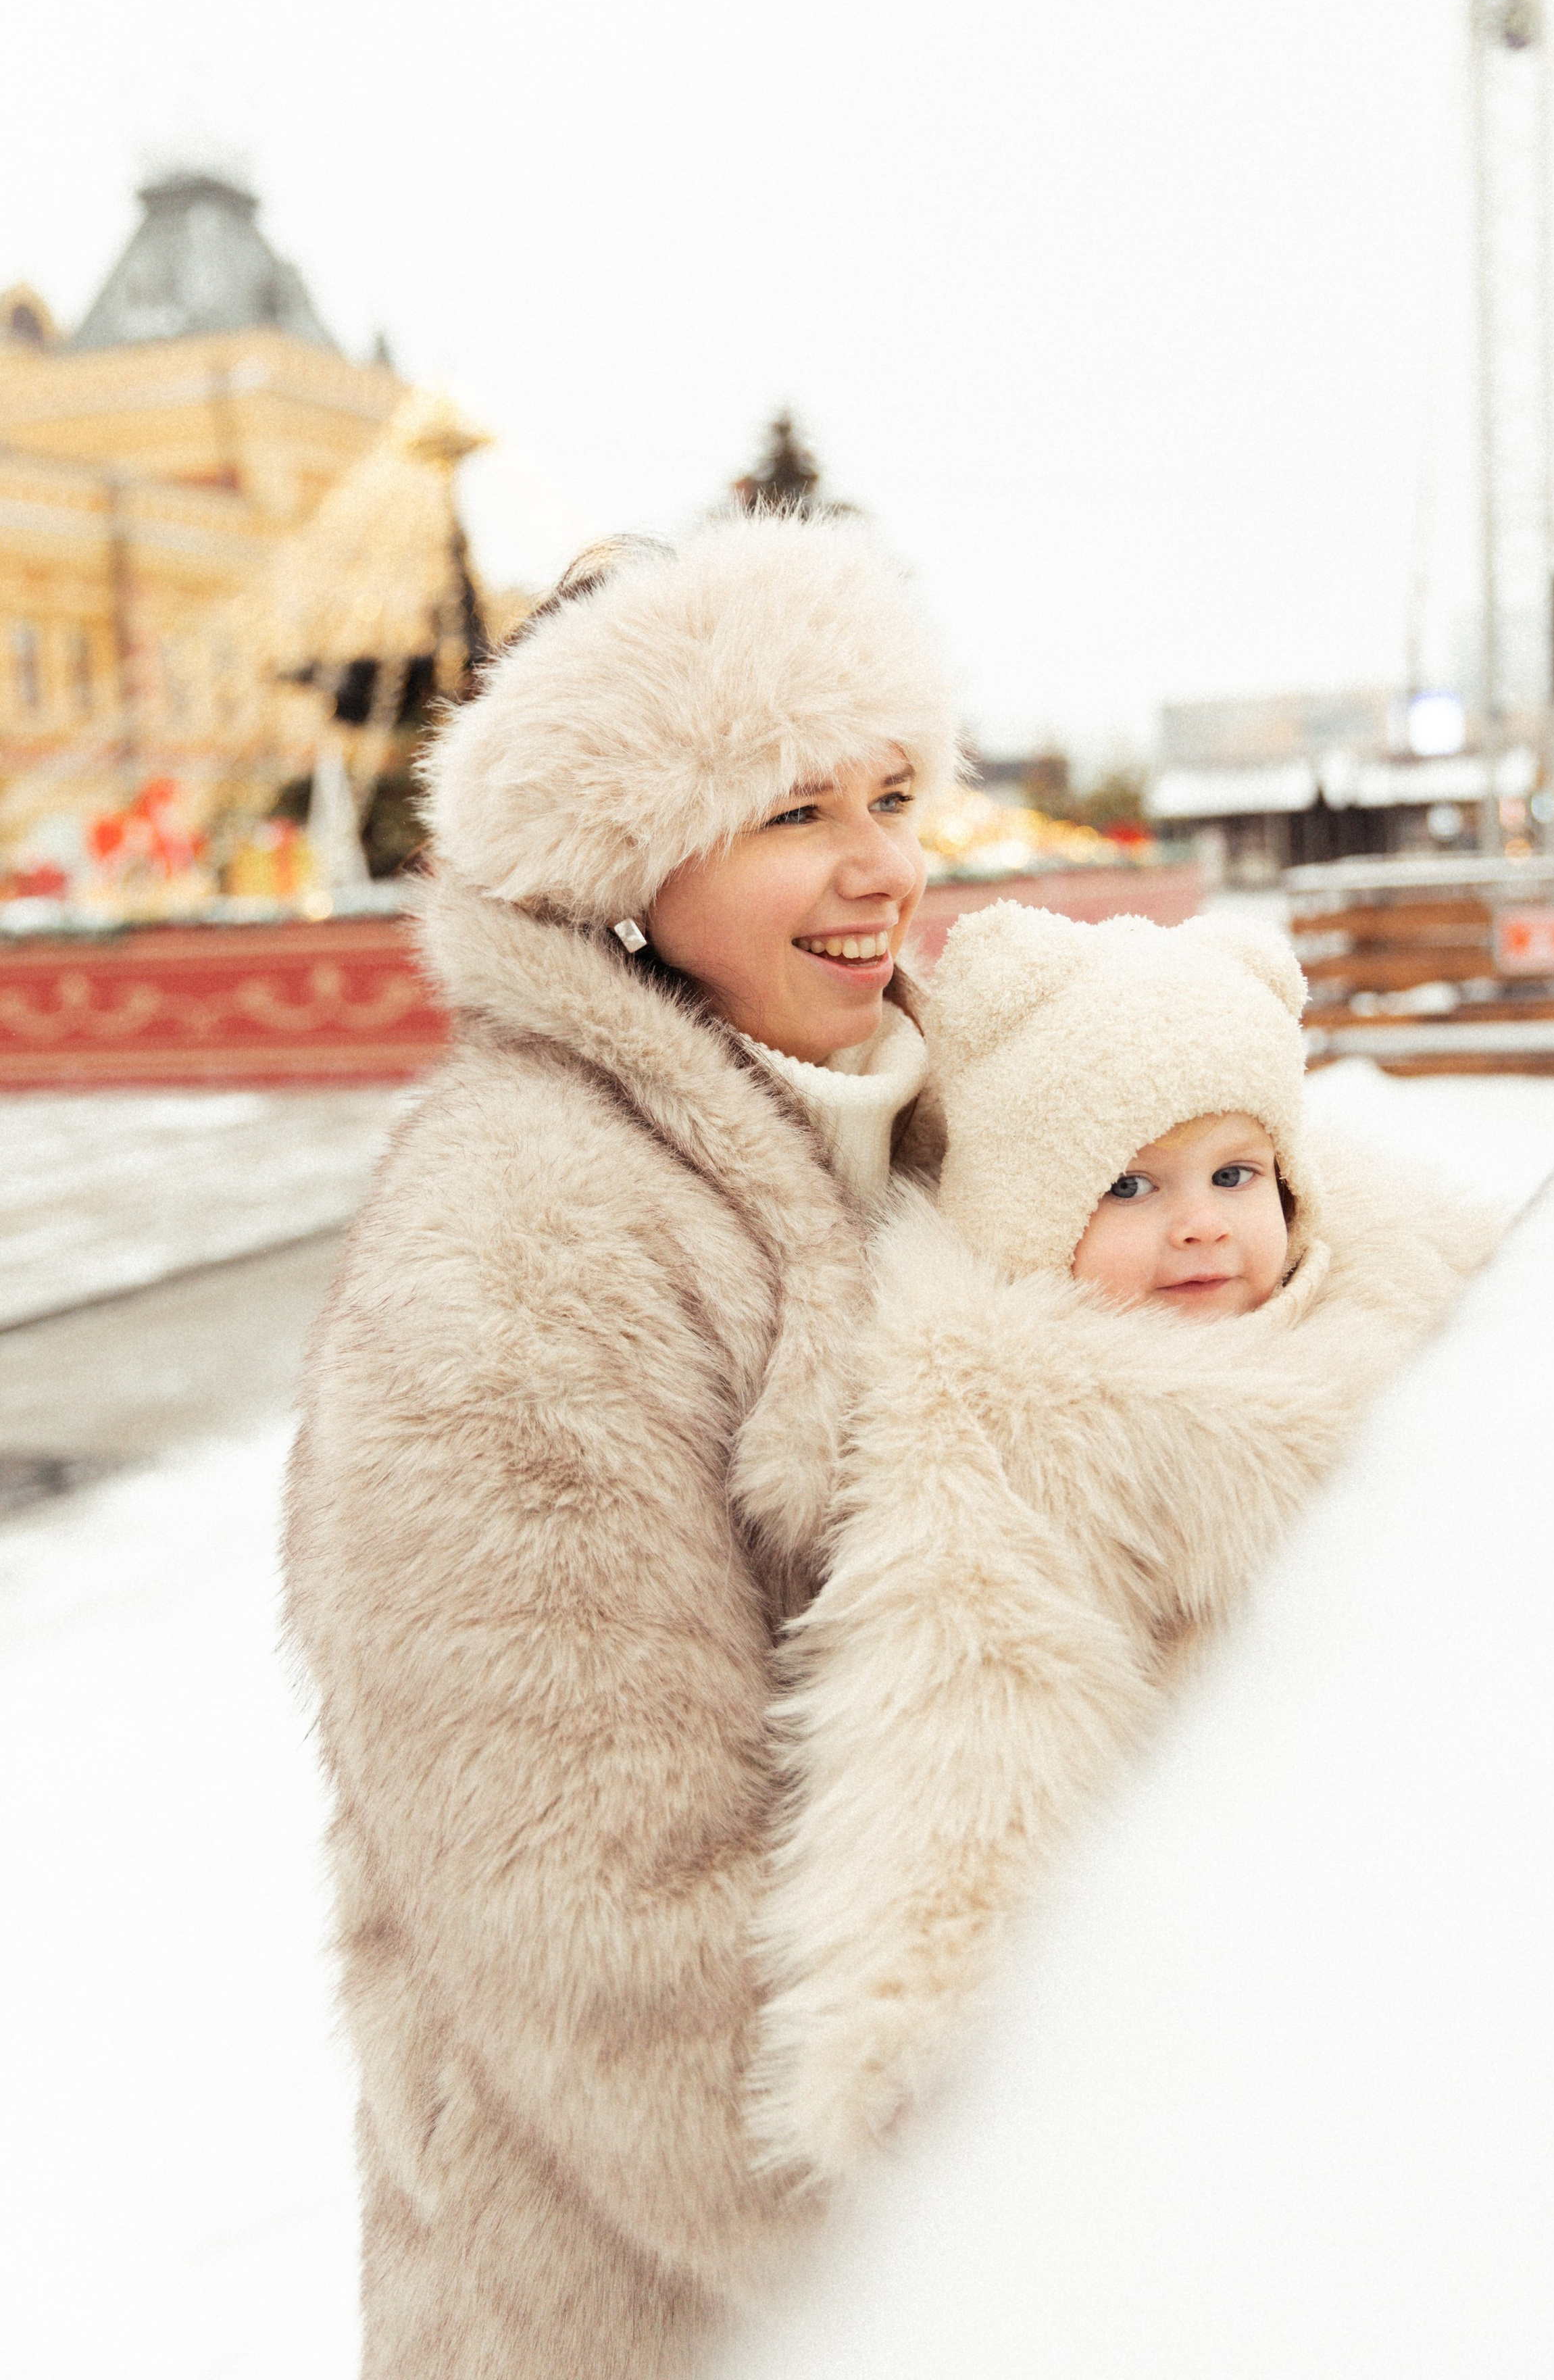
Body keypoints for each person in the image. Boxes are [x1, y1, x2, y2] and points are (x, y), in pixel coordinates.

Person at [282, 512, 957, 2379]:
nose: (879, 866)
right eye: (789, 810)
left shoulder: (929, 1116)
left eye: (893, 792)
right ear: (618, 859)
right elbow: (600, 1920)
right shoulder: (522, 1245)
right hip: (664, 2294)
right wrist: (970, 2244)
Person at [750, 899, 1502, 2185]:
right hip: (1214, 1919)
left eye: (1234, 1174)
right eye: (1130, 1185)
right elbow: (957, 1704)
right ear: (1033, 1215)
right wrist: (922, 2007)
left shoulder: (1400, 1295)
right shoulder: (1006, 1424)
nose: (1202, 1223)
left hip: (1425, 1865)